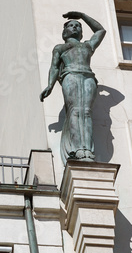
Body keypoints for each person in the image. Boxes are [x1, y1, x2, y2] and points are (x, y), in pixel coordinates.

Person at [40, 11, 106, 163]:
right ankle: (78, 149)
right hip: (70, 76)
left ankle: (87, 150)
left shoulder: (88, 46)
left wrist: (82, 16)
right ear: (65, 31)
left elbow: (100, 31)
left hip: (88, 77)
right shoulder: (60, 48)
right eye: (71, 25)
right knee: (75, 111)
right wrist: (50, 85)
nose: (75, 27)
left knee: (87, 112)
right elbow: (55, 67)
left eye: (78, 26)